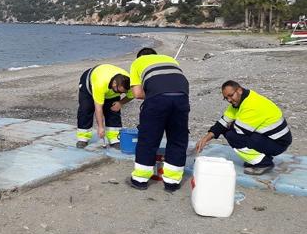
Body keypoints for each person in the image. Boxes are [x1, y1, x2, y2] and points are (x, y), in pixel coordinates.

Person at [195, 80, 292, 175]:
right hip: (270, 138)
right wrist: (205, 139)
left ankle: (264, 163)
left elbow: (238, 130)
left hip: (279, 143)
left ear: (239, 90)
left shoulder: (251, 104)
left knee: (232, 136)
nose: (229, 100)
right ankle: (260, 158)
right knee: (227, 130)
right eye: (226, 98)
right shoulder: (239, 101)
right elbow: (223, 122)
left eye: (231, 95)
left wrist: (230, 125)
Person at [128, 47, 190, 192]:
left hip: (157, 100)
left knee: (148, 138)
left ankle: (140, 180)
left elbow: (137, 94)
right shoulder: (170, 59)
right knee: (177, 139)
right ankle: (172, 182)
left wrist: (151, 94)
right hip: (182, 97)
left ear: (139, 57)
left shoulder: (137, 63)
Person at [76, 64, 133, 149]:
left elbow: (132, 95)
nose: (120, 94)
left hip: (108, 90)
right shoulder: (100, 83)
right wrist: (100, 127)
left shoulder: (128, 83)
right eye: (119, 91)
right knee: (86, 109)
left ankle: (114, 139)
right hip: (89, 85)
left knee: (113, 110)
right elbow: (98, 108)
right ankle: (83, 138)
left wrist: (120, 103)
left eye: (122, 92)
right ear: (114, 84)